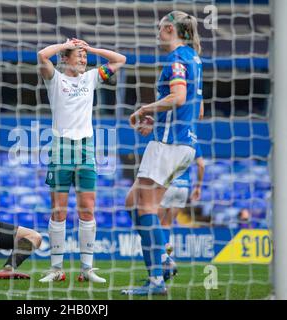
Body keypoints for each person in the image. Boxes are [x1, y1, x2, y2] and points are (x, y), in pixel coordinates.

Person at [122, 11, 203, 296]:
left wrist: (144, 110)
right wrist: (156, 119)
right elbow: (196, 108)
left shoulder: (177, 59)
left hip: (168, 145)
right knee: (133, 201)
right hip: (183, 144)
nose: (157, 33)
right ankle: (164, 261)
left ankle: (156, 279)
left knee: (144, 207)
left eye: (159, 28)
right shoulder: (194, 59)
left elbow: (178, 98)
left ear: (170, 29)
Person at [37, 38, 126, 283]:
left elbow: (120, 60)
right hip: (61, 149)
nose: (84, 60)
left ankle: (86, 269)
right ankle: (56, 269)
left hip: (86, 149)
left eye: (85, 57)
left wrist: (91, 48)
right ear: (65, 58)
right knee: (59, 210)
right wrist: (65, 45)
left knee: (87, 208)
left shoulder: (92, 78)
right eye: (79, 56)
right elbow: (42, 55)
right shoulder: (54, 78)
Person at [158, 143, 205, 279]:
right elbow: (201, 165)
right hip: (183, 188)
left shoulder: (171, 137)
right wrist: (198, 187)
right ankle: (167, 255)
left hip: (168, 184)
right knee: (166, 224)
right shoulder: (194, 141)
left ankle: (164, 261)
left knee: (153, 223)